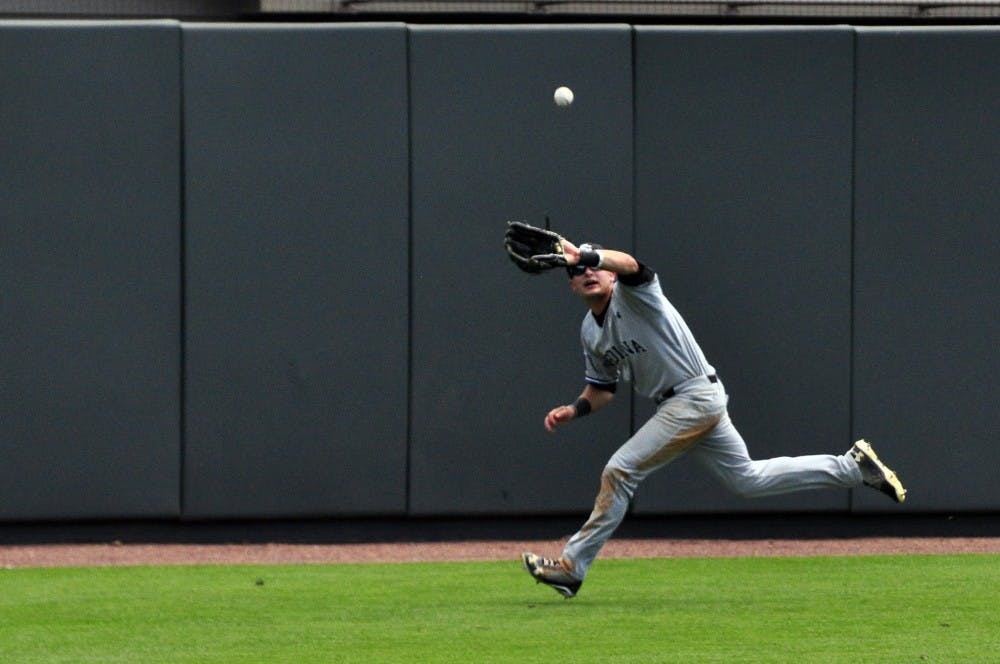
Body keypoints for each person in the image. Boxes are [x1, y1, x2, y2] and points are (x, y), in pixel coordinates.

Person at [521, 238, 907, 599]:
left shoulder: (634, 294)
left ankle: (572, 566)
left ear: (607, 274)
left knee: (619, 471)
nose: (586, 273)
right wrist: (575, 409)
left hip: (692, 396)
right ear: (571, 287)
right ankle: (852, 468)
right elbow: (603, 389)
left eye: (593, 267)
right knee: (747, 480)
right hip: (685, 402)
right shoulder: (590, 331)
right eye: (575, 272)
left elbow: (632, 264)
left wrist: (585, 255)